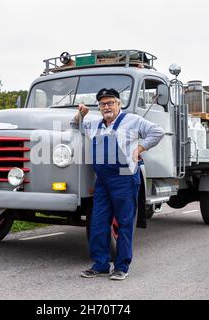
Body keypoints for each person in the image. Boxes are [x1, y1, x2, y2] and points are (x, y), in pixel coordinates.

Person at [70, 88, 164, 280]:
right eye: (103, 104)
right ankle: (101, 265)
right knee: (98, 223)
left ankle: (122, 266)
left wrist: (139, 148)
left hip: (125, 178)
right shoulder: (94, 124)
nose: (107, 107)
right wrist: (81, 113)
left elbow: (157, 132)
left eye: (110, 102)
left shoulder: (133, 120)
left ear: (119, 104)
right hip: (102, 181)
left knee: (125, 223)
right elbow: (73, 124)